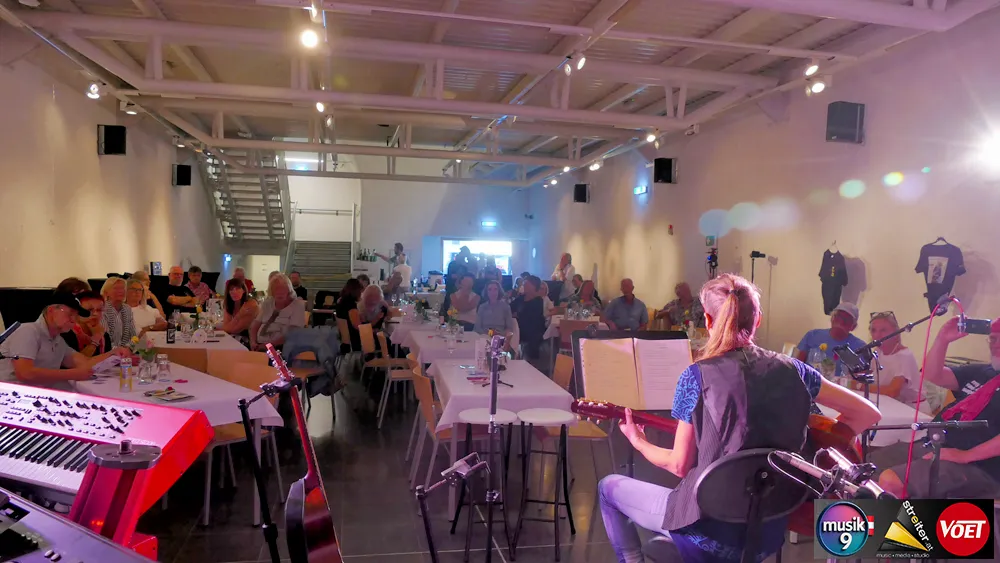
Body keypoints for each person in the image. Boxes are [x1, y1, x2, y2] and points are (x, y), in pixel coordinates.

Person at [599, 274, 880, 563]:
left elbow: (679, 465)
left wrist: (638, 440)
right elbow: (868, 413)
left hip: (706, 533)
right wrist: (815, 438)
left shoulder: (696, 376)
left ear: (708, 320)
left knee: (608, 488)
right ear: (757, 320)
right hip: (767, 532)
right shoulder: (797, 370)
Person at [874, 316, 1000, 499]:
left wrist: (964, 455)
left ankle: (903, 518)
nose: (996, 345)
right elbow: (933, 374)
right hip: (937, 445)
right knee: (868, 466)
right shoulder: (984, 372)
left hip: (980, 466)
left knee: (890, 482)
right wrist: (943, 339)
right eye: (993, 339)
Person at [0, 293, 133, 390]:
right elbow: (25, 373)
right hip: (11, 396)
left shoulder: (58, 340)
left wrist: (113, 353)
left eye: (76, 315)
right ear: (51, 310)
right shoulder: (28, 330)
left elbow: (85, 362)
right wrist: (72, 374)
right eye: (70, 314)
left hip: (36, 394)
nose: (74, 320)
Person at [868, 311, 926, 406]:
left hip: (912, 407)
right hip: (890, 403)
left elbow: (892, 391)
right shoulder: (878, 352)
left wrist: (858, 386)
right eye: (873, 330)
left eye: (883, 330)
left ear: (896, 333)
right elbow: (871, 375)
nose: (877, 335)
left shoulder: (904, 356)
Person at [795, 302, 866, 379]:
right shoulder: (812, 335)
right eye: (839, 316)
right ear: (832, 318)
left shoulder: (860, 347)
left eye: (847, 320)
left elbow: (860, 378)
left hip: (838, 386)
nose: (841, 321)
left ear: (853, 327)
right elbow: (797, 365)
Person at [249, 274, 306, 352]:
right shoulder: (268, 303)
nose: (280, 292)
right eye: (276, 289)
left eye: (283, 289)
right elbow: (255, 325)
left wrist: (269, 345)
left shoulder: (297, 305)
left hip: (282, 347)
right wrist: (253, 342)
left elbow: (293, 334)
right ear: (271, 291)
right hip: (260, 345)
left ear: (289, 290)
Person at [61, 291, 111, 357]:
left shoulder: (104, 335)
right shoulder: (65, 334)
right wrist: (95, 340)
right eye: (89, 310)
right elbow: (75, 362)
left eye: (99, 310)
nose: (95, 314)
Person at [513, 275, 546, 365]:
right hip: (519, 328)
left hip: (532, 331)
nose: (524, 285)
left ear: (534, 286)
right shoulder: (520, 298)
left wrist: (518, 314)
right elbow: (510, 309)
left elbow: (530, 317)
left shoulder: (538, 301)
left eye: (526, 284)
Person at [99, 277, 137, 348]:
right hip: (108, 351)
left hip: (127, 350)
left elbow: (134, 336)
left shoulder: (127, 308)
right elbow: (105, 339)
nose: (120, 291)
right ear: (106, 292)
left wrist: (130, 347)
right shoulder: (102, 309)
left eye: (123, 288)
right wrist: (119, 350)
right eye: (116, 288)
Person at [222, 278, 259, 348]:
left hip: (249, 341)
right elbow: (226, 328)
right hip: (233, 339)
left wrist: (230, 324)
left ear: (243, 290)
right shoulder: (229, 305)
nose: (234, 291)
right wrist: (240, 315)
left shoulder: (251, 304)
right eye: (231, 289)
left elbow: (237, 329)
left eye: (237, 289)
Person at [336, 278, 364, 350]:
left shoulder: (340, 301)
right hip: (353, 341)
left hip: (343, 340)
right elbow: (357, 326)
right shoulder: (350, 304)